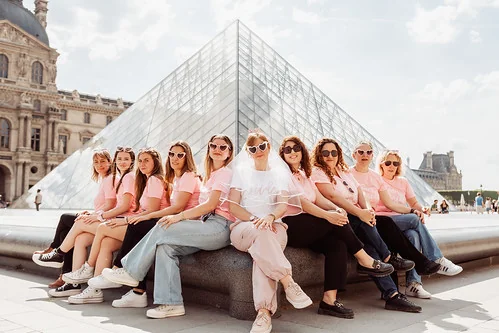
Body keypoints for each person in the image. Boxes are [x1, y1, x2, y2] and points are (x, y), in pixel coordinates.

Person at [101, 135, 235, 319]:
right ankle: (172, 303)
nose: (217, 149)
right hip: (206, 226)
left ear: (229, 153)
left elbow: (210, 205)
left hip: (219, 227)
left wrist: (177, 217)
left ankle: (131, 271)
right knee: (165, 248)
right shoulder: (212, 174)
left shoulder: (225, 173)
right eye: (213, 145)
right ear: (209, 149)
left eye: (223, 147)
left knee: (163, 226)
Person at [311, 138, 439, 313]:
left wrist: (368, 210)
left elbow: (360, 192)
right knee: (379, 231)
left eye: (333, 152)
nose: (330, 156)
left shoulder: (342, 171)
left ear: (339, 153)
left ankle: (392, 294)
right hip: (339, 220)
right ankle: (394, 261)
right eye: (325, 153)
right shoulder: (318, 172)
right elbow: (334, 197)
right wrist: (360, 213)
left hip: (356, 217)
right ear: (319, 154)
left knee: (371, 247)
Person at [278, 136, 393, 319]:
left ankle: (329, 301)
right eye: (287, 150)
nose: (292, 153)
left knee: (337, 244)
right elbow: (301, 203)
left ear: (302, 152)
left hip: (310, 225)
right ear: (282, 154)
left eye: (296, 149)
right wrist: (328, 215)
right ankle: (364, 258)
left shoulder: (304, 174)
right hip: (291, 224)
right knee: (333, 221)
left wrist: (336, 209)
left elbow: (318, 199)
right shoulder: (281, 174)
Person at [228, 131, 312, 333]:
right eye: (253, 148)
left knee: (262, 253)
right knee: (262, 233)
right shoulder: (240, 172)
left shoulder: (280, 174)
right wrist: (254, 219)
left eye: (262, 146)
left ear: (269, 147)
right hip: (244, 227)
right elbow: (233, 207)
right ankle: (288, 281)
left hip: (274, 226)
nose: (258, 151)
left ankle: (264, 314)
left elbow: (282, 206)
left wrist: (270, 218)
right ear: (248, 152)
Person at [101, 142, 200, 308]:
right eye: (172, 154)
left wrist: (139, 217)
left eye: (180, 155)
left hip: (186, 223)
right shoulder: (175, 178)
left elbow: (177, 208)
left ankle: (122, 269)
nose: (175, 158)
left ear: (187, 157)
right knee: (138, 228)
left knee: (136, 227)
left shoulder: (187, 176)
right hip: (177, 221)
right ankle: (135, 287)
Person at [371, 148, 463, 299]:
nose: (391, 166)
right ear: (381, 164)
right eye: (388, 162)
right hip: (385, 221)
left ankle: (414, 284)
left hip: (402, 221)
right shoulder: (376, 180)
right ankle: (436, 258)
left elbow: (413, 202)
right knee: (414, 219)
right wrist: (414, 212)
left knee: (413, 235)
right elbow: (392, 205)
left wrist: (422, 208)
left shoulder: (403, 182)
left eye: (395, 163)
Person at [52, 147, 138, 303]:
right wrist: (95, 213)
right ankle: (89, 288)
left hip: (125, 222)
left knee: (79, 223)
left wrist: (98, 215)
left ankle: (62, 255)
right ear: (115, 161)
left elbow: (123, 206)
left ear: (132, 161)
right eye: (120, 159)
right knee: (83, 240)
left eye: (126, 159)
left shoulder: (125, 178)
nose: (122, 162)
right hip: (120, 220)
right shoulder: (122, 177)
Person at [32, 149, 116, 290]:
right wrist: (91, 213)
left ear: (110, 162)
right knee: (67, 234)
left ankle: (55, 251)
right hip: (101, 218)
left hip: (105, 221)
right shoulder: (105, 180)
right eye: (96, 162)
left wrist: (92, 216)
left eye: (103, 161)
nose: (99, 165)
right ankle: (67, 277)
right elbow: (106, 205)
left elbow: (111, 205)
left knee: (66, 219)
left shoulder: (110, 179)